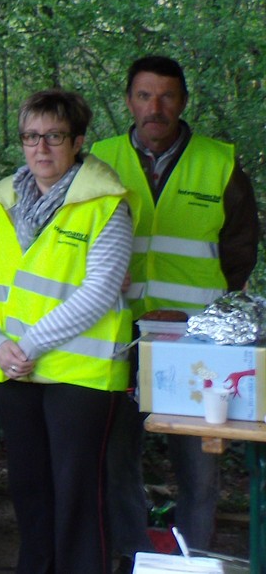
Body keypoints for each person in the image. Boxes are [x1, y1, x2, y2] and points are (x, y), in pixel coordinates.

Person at [92, 56, 259, 559]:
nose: (155, 108)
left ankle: (191, 562)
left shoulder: (219, 163)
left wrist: (199, 319)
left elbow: (240, 252)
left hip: (196, 345)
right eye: (144, 96)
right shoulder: (98, 160)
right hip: (117, 336)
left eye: (166, 96)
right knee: (116, 461)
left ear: (183, 101)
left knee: (199, 471)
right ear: (128, 101)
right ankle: (133, 555)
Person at [0, 89, 133, 574]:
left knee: (77, 497)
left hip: (79, 379)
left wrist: (26, 345)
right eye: (31, 136)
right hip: (16, 373)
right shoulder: (6, 200)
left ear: (78, 141)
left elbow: (99, 293)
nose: (41, 148)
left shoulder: (107, 205)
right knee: (29, 492)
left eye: (55, 136)